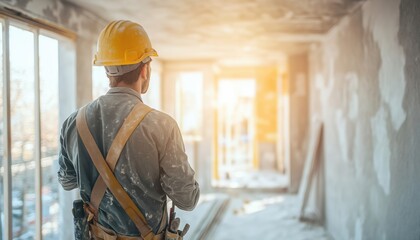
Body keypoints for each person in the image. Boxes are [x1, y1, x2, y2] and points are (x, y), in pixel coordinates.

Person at [58, 20, 200, 239]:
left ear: (107, 70)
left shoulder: (73, 122)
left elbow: (67, 181)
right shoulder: (162, 125)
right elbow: (187, 200)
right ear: (145, 69)